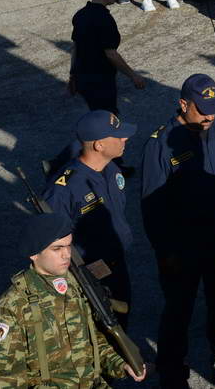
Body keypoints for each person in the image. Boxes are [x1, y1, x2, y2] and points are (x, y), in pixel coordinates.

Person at [140, 73, 215, 385]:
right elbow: (152, 207)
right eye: (202, 110)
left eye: (214, 108)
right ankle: (172, 375)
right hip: (184, 247)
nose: (209, 116)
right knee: (178, 311)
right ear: (183, 104)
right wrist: (166, 251)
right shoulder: (161, 144)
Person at [0, 213, 147, 385]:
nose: (66, 255)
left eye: (69, 246)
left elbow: (92, 343)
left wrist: (121, 364)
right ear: (34, 254)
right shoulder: (12, 306)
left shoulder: (75, 286)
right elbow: (4, 378)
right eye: (57, 249)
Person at [42, 110, 137, 323]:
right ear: (99, 145)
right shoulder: (63, 191)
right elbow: (49, 244)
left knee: (121, 322)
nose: (125, 138)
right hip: (88, 275)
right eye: (118, 135)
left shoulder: (112, 170)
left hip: (116, 262)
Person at [68, 0, 145, 115]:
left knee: (98, 113)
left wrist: (73, 75)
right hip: (100, 80)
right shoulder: (104, 19)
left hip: (83, 78)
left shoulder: (80, 15)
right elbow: (111, 53)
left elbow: (76, 47)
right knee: (107, 119)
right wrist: (133, 75)